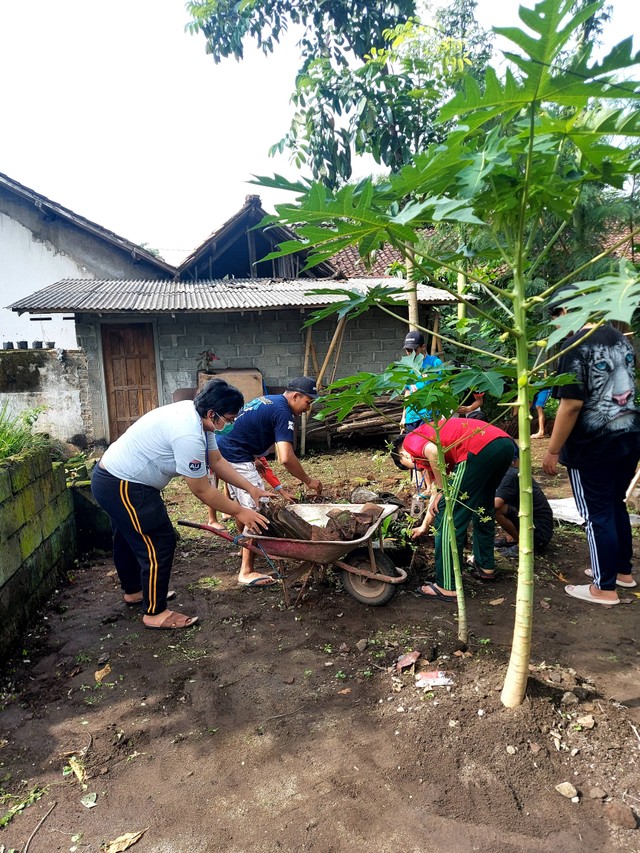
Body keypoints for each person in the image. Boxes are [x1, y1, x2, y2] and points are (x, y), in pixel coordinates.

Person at [91, 379, 271, 629]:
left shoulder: (198, 417)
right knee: (158, 541)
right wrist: (241, 511)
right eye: (228, 419)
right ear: (212, 413)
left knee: (127, 536)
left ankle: (134, 592)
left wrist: (251, 488)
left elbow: (216, 460)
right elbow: (201, 489)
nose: (228, 425)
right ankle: (155, 613)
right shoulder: (188, 432)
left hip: (118, 478)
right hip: (122, 484)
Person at [543, 322, 640, 605]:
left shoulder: (575, 344)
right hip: (628, 435)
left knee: (596, 513)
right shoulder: (619, 338)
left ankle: (603, 587)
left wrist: (552, 449)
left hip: (592, 443)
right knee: (614, 504)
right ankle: (622, 572)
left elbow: (571, 404)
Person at [216, 377, 324, 587]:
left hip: (228, 450)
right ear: (295, 396)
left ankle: (246, 548)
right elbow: (286, 457)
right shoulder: (284, 412)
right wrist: (308, 481)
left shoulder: (270, 400)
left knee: (243, 507)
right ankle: (246, 571)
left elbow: (246, 427)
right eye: (307, 403)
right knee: (258, 511)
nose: (307, 409)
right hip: (236, 454)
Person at [391, 418, 514, 601]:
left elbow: (433, 454)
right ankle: (485, 565)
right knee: (483, 507)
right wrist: (424, 526)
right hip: (503, 444)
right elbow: (436, 492)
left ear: (403, 455)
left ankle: (446, 585)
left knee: (449, 517)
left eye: (408, 466)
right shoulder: (435, 449)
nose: (417, 467)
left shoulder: (412, 440)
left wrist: (442, 491)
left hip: (476, 448)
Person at [494, 450, 554, 555]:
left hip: (539, 533)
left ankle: (523, 545)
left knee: (497, 509)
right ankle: (517, 538)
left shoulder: (510, 475)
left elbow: (496, 504)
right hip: (540, 528)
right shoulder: (513, 473)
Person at [399, 330, 443, 432]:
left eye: (414, 350)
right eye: (408, 350)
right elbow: (408, 392)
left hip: (429, 415)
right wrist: (403, 417)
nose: (411, 353)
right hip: (412, 416)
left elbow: (443, 386)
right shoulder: (408, 366)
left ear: (423, 347)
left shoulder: (435, 363)